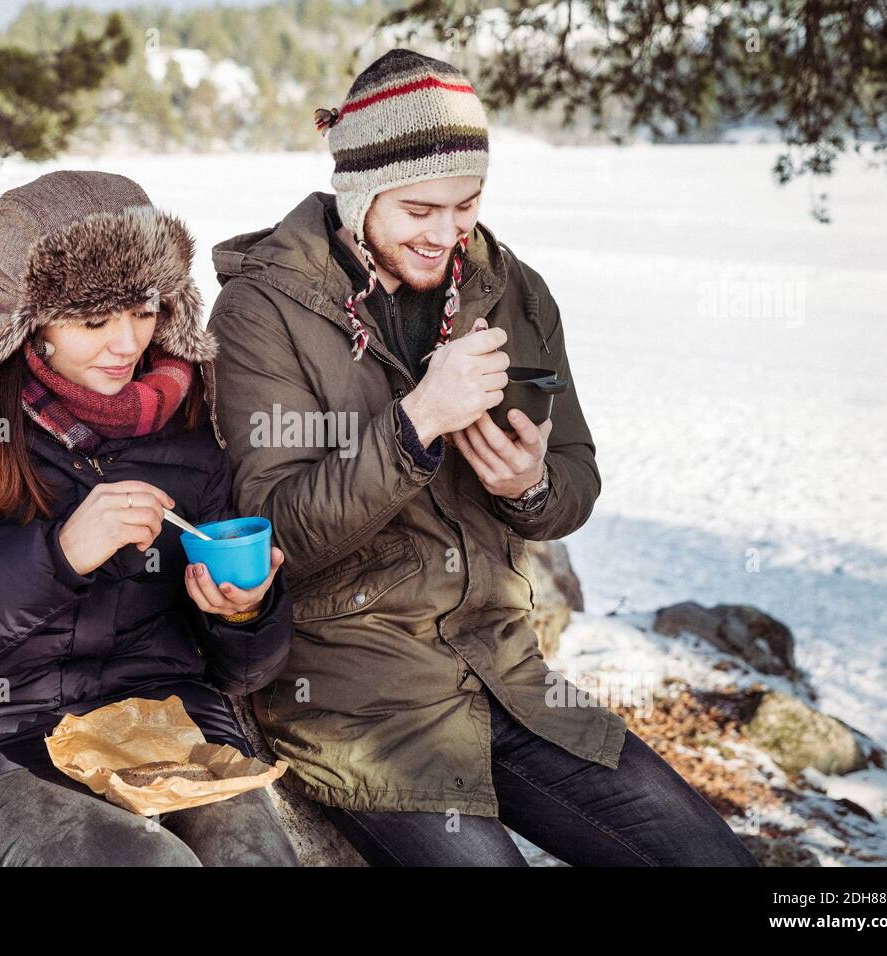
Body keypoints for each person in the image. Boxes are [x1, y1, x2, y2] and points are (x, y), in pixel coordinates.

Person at [204, 49, 759, 866]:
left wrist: (531, 488)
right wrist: (415, 424)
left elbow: (578, 477)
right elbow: (277, 536)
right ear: (359, 195)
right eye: (418, 209)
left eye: (465, 205)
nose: (445, 233)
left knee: (716, 861)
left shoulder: (512, 287)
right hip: (364, 703)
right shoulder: (262, 311)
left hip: (509, 674)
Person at [0, 170, 299, 867]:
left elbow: (240, 674)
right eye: (92, 321)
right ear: (29, 317)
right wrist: (59, 556)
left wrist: (242, 613)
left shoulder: (187, 413)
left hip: (158, 723)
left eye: (144, 312)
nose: (127, 345)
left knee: (256, 860)